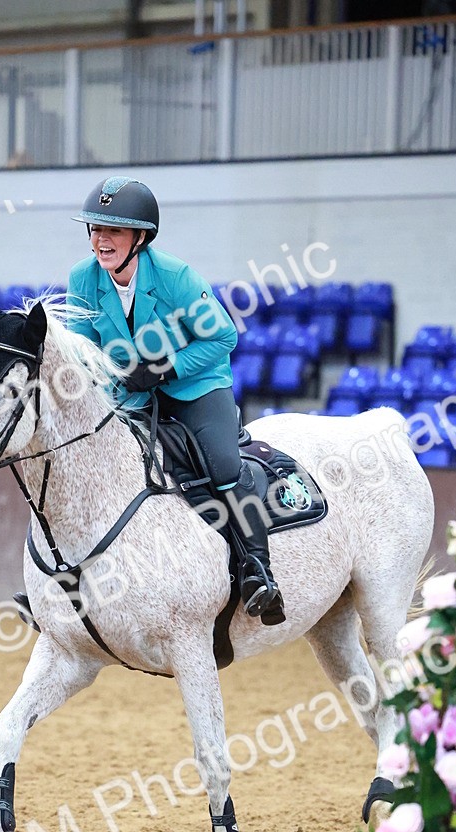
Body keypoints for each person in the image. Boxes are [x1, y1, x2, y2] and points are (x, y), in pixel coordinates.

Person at [67, 176, 285, 624]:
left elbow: (223, 335)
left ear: (140, 237)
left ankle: (258, 571)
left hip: (196, 387)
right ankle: (69, 574)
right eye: (95, 229)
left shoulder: (174, 277)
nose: (100, 240)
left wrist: (167, 368)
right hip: (130, 393)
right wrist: (111, 390)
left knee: (223, 465)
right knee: (93, 459)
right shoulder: (83, 280)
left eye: (114, 231)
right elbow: (84, 354)